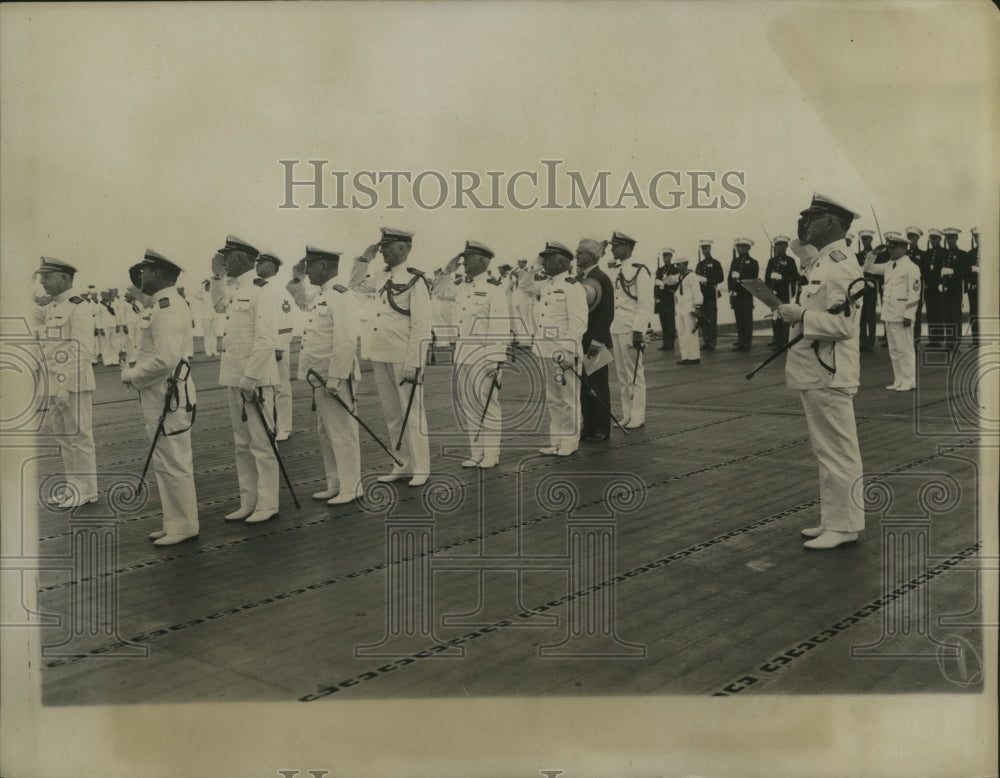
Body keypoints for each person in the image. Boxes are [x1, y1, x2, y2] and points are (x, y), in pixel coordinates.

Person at [776, 194, 865, 550]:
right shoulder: (822, 261)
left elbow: (845, 325)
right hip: (816, 370)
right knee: (826, 450)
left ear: (831, 222)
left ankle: (844, 526)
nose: (806, 225)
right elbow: (801, 246)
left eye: (812, 218)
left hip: (829, 371)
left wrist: (801, 316)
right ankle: (834, 520)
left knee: (838, 451)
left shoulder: (840, 264)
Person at [120, 251, 199, 545]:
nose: (140, 276)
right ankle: (175, 522)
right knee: (166, 460)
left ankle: (184, 526)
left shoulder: (167, 307)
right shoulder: (159, 306)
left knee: (174, 460)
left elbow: (164, 360)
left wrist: (132, 376)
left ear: (157, 274)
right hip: (160, 395)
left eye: (145, 271)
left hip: (169, 396)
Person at [349, 228, 432, 487]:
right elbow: (353, 286)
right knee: (393, 414)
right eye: (381, 247)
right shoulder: (379, 276)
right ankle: (402, 464)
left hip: (403, 356)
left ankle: (421, 468)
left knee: (413, 413)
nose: (383, 251)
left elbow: (421, 324)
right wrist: (364, 258)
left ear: (404, 249)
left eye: (388, 246)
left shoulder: (415, 280)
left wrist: (414, 362)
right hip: (380, 353)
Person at [210, 235, 281, 524]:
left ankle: (268, 503)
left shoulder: (260, 291)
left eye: (226, 257)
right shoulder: (234, 289)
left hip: (256, 378)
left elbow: (265, 338)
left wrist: (251, 376)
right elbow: (216, 307)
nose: (223, 261)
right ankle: (248, 500)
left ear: (240, 258)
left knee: (262, 444)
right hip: (235, 377)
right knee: (242, 443)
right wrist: (216, 276)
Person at [434, 241, 510, 468]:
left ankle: (491, 455)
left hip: (484, 357)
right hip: (464, 355)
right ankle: (476, 452)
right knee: (469, 406)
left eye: (467, 259)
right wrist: (448, 268)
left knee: (488, 405)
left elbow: (500, 328)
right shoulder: (460, 287)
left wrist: (496, 362)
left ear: (481, 261)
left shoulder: (493, 290)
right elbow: (437, 291)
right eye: (462, 259)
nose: (463, 263)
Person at [296, 246, 363, 504]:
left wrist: (335, 378)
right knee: (327, 433)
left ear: (323, 266)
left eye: (309, 265)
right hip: (319, 376)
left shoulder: (340, 296)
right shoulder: (321, 295)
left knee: (342, 432)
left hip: (334, 377)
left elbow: (345, 340)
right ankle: (335, 483)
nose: (306, 270)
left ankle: (352, 487)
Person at [34, 257, 98, 508]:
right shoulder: (52, 308)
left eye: (46, 277)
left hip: (74, 385)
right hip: (53, 384)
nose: (42, 282)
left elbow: (82, 351)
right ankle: (74, 489)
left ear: (64, 278)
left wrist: (66, 387)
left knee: (80, 438)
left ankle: (87, 490)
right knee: (63, 439)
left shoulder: (78, 307)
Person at [529, 241, 587, 455]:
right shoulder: (545, 284)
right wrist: (534, 265)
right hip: (545, 350)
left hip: (563, 353)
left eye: (548, 259)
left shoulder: (573, 286)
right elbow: (524, 284)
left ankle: (570, 442)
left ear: (562, 261)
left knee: (569, 398)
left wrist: (568, 350)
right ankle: (556, 441)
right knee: (554, 398)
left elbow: (579, 323)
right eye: (543, 259)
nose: (544, 263)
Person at [863, 232, 921, 391]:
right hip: (889, 313)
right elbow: (868, 268)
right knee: (894, 350)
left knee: (905, 349)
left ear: (903, 248)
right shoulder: (889, 265)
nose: (890, 251)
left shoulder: (911, 267)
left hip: (902, 315)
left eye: (893, 248)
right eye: (889, 247)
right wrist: (873, 253)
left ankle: (910, 380)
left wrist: (909, 314)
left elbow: (915, 293)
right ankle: (899, 379)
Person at [606, 231, 652, 429]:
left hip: (630, 328)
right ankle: (627, 414)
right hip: (616, 327)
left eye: (615, 246)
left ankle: (638, 415)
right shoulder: (615, 270)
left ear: (626, 248)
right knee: (622, 374)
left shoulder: (639, 271)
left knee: (635, 373)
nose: (612, 249)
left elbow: (645, 304)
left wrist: (638, 331)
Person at [575, 238, 615, 443]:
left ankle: (601, 428)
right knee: (584, 386)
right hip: (582, 341)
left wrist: (596, 342)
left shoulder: (602, 278)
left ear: (590, 255)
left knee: (598, 385)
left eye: (580, 252)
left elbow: (606, 315)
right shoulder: (579, 279)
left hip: (595, 342)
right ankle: (588, 426)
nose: (576, 255)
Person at [255, 251, 297, 441]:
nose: (257, 266)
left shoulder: (279, 290)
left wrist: (280, 346)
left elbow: (287, 318)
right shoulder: (258, 288)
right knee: (265, 386)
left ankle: (285, 428)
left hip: (276, 346)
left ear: (272, 267)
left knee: (280, 387)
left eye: (261, 263)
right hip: (262, 346)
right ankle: (269, 425)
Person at [764, 236, 798, 349]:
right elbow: (767, 278)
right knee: (775, 317)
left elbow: (795, 277)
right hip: (774, 293)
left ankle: (784, 341)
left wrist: (782, 277)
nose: (779, 247)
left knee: (783, 318)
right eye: (778, 245)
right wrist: (769, 288)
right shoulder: (772, 261)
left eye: (782, 245)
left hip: (784, 293)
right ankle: (776, 339)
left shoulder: (790, 261)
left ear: (786, 246)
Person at [666, 258, 702, 365]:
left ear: (686, 264)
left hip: (689, 307)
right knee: (681, 332)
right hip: (680, 307)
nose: (677, 266)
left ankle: (694, 357)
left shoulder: (692, 276)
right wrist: (669, 270)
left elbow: (697, 292)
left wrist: (698, 307)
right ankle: (685, 356)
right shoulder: (679, 276)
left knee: (690, 331)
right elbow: (667, 280)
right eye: (676, 264)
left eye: (679, 264)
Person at [939, 228, 969, 350]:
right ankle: (949, 342)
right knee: (947, 316)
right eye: (947, 238)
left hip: (956, 289)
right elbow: (938, 270)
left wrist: (953, 271)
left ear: (956, 238)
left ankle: (956, 342)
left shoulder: (963, 254)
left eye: (951, 238)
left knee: (956, 316)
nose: (949, 240)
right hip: (945, 288)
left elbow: (966, 271)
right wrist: (940, 281)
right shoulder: (943, 254)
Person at [728, 238, 759, 351]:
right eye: (739, 247)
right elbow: (729, 278)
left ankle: (747, 342)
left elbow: (753, 278)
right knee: (739, 318)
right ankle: (741, 340)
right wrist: (730, 290)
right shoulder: (735, 261)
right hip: (736, 294)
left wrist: (740, 277)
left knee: (747, 319)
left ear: (748, 248)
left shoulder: (753, 262)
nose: (741, 249)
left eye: (743, 247)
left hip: (746, 294)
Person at [695, 240, 724, 351]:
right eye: (703, 248)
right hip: (701, 295)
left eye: (706, 248)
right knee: (703, 319)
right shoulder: (700, 264)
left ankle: (712, 342)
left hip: (711, 294)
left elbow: (720, 278)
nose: (704, 250)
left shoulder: (716, 263)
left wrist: (708, 280)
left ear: (710, 248)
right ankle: (706, 341)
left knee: (712, 319)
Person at [855, 230, 879, 351]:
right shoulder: (858, 256)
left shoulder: (878, 254)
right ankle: (863, 341)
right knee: (862, 316)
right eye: (863, 239)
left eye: (867, 239)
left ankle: (871, 341)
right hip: (861, 289)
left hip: (871, 288)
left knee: (871, 316)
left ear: (871, 240)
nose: (866, 241)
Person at [905, 227, 925, 346]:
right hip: (903, 287)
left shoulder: (922, 254)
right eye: (909, 237)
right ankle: (906, 341)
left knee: (916, 313)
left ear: (917, 238)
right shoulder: (904, 254)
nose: (911, 239)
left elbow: (924, 273)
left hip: (916, 287)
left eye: (913, 237)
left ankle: (916, 340)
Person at [654, 248, 676, 351]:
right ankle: (665, 342)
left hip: (669, 298)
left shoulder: (674, 269)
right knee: (663, 321)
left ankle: (671, 343)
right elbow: (656, 285)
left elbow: (676, 284)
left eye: (667, 256)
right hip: (661, 299)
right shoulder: (660, 270)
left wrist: (667, 287)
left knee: (670, 321)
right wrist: (656, 297)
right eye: (664, 256)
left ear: (671, 257)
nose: (665, 258)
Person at [192, 279, 219, 357]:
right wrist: (202, 284)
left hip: (214, 316)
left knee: (214, 334)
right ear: (205, 286)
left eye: (209, 286)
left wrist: (211, 281)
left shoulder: (212, 294)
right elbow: (195, 295)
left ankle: (214, 350)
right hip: (206, 317)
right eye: (207, 286)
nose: (208, 287)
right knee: (207, 335)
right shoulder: (202, 294)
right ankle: (208, 351)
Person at [967, 227, 979, 342]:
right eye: (975, 237)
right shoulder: (970, 253)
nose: (977, 239)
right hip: (974, 288)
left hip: (987, 288)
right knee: (974, 312)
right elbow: (967, 272)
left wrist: (980, 270)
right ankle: (975, 339)